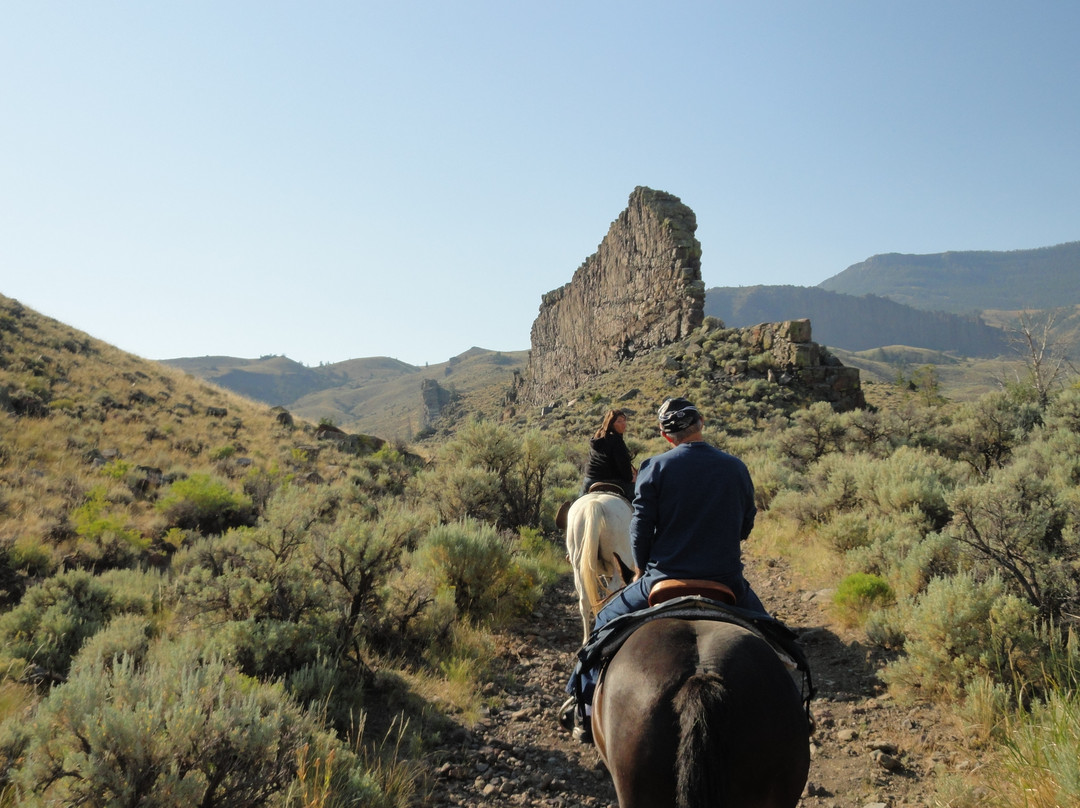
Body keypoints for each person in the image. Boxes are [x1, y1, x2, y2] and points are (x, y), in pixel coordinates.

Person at [560, 396, 768, 742]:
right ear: (700, 423)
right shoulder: (735, 467)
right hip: (725, 579)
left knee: (601, 625)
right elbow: (746, 524)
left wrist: (641, 569)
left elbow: (640, 530)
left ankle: (580, 706)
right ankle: (795, 697)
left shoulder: (654, 467)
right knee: (776, 636)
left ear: (665, 434)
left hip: (662, 578)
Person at [581, 409, 635, 500]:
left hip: (590, 480)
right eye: (619, 421)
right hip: (613, 481)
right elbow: (623, 465)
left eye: (624, 420)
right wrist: (631, 478)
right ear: (611, 424)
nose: (624, 424)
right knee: (639, 502)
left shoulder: (597, 438)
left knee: (576, 505)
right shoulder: (616, 440)